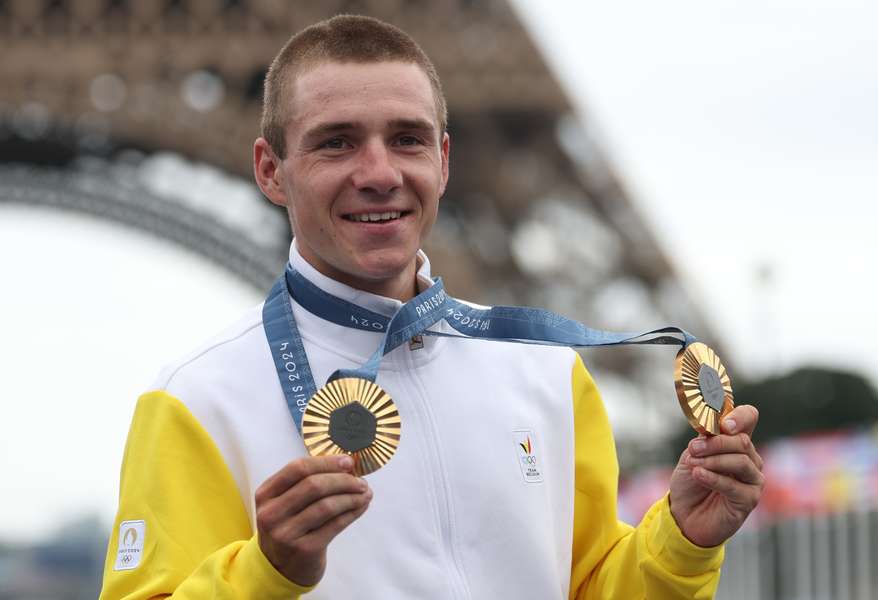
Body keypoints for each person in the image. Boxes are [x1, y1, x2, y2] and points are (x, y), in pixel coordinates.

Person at [100, 14, 763, 599]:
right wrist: (265, 573)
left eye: (408, 139)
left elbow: (591, 587)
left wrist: (680, 541)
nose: (379, 171)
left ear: (444, 161)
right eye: (336, 141)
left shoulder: (548, 374)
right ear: (271, 169)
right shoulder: (198, 402)